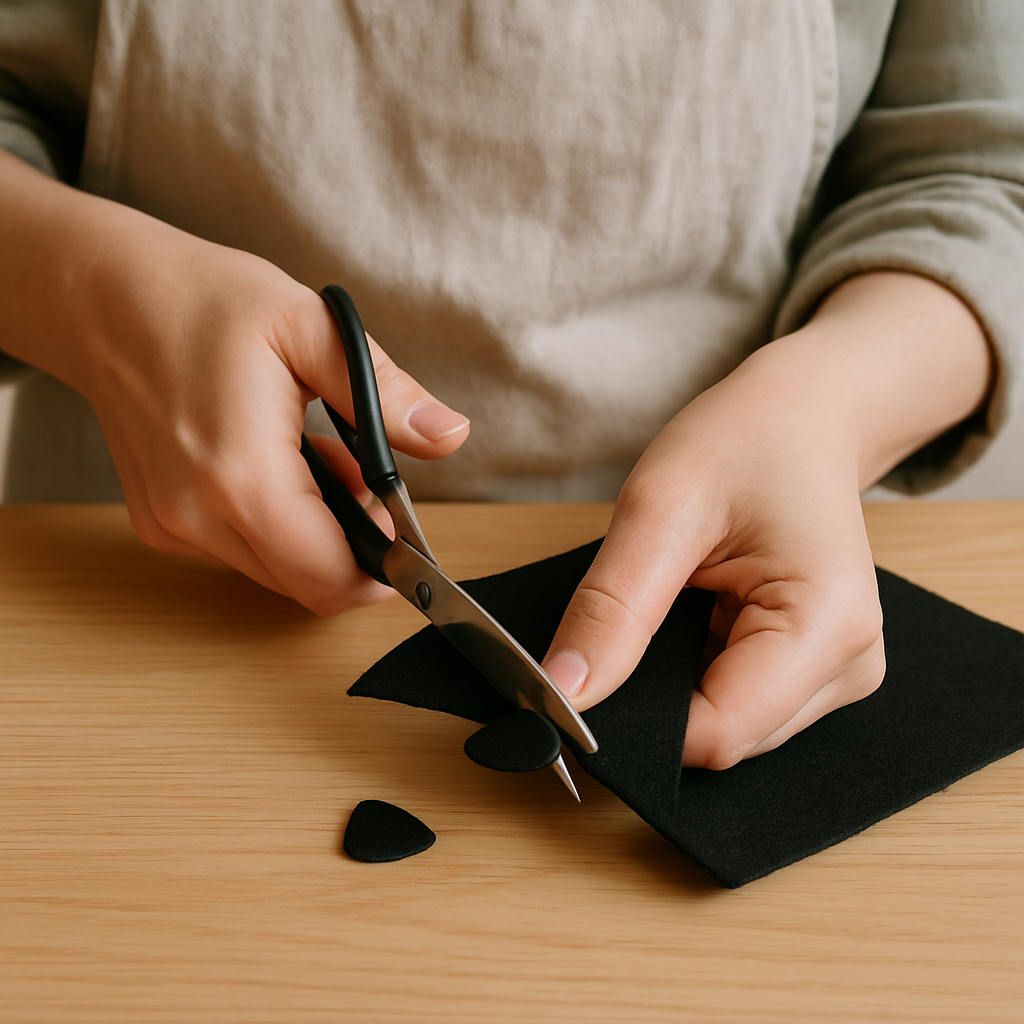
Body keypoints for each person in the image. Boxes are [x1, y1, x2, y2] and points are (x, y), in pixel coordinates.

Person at [1, 1, 1021, 769]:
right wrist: (89, 295)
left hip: (722, 587)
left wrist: (826, 409)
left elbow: (978, 178)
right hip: (131, 599)